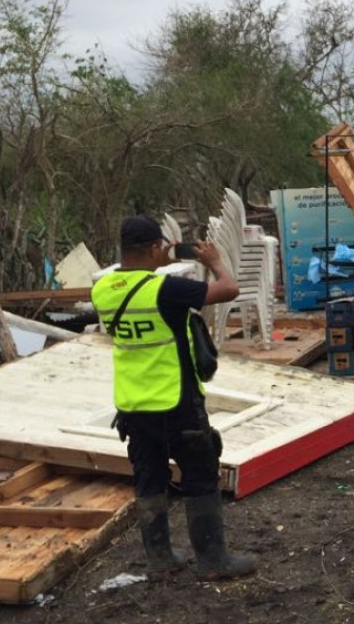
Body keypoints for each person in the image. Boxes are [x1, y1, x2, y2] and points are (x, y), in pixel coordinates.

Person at [91, 216, 257, 580]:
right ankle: (213, 561)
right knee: (200, 473)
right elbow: (228, 289)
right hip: (176, 400)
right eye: (162, 246)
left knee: (148, 477)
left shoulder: (102, 289)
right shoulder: (166, 289)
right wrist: (212, 261)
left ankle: (160, 559)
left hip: (133, 405)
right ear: (153, 248)